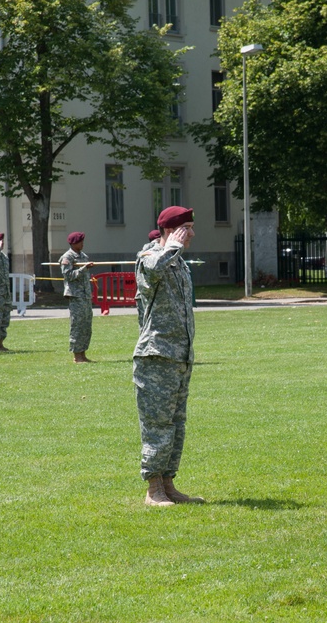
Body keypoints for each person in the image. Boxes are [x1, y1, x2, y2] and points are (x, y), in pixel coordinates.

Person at [133, 206, 202, 506]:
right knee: (157, 424)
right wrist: (170, 246)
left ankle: (169, 484)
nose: (192, 234)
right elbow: (150, 273)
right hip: (156, 356)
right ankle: (153, 490)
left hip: (179, 356)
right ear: (171, 231)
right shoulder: (149, 257)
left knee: (176, 423)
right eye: (187, 227)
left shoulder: (180, 264)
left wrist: (174, 250)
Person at [61, 231, 95, 363]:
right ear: (74, 243)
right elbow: (68, 275)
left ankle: (83, 353)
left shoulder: (83, 256)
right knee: (77, 325)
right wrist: (83, 269)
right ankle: (77, 355)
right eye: (80, 242)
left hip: (85, 295)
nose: (82, 244)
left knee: (86, 325)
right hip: (75, 295)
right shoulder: (68, 257)